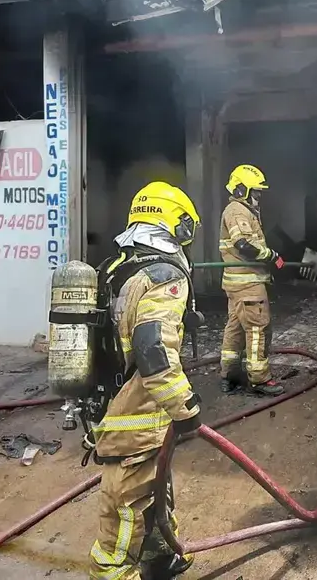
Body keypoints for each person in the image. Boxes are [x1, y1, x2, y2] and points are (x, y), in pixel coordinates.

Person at [88, 182, 202, 579]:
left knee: (152, 486)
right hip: (137, 410)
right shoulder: (163, 276)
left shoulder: (117, 267)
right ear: (175, 224)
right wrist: (184, 407)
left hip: (111, 401)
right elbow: (153, 351)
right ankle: (114, 571)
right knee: (126, 504)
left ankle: (159, 554)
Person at [218, 164, 285, 396]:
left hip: (237, 283)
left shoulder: (239, 210)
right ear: (241, 190)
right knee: (258, 329)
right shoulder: (238, 211)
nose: (258, 197)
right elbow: (244, 245)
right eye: (255, 192)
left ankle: (229, 376)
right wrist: (271, 255)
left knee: (235, 328)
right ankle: (259, 380)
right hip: (248, 285)